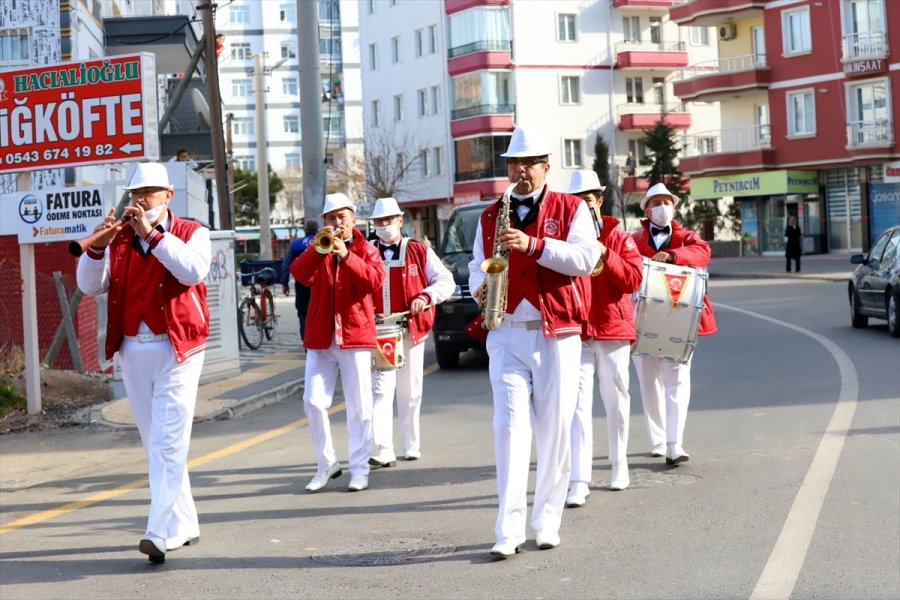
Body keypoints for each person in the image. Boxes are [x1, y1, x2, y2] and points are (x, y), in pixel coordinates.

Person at [468, 127, 600, 558]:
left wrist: (535, 244)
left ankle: (546, 520)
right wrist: (478, 289)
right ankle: (508, 529)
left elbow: (585, 259)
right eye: (513, 163)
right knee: (508, 429)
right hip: (505, 331)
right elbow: (475, 265)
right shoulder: (491, 214)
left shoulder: (572, 207)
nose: (520, 171)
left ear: (547, 166)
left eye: (528, 163)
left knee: (555, 430)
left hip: (556, 332)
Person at [76, 162, 211, 563]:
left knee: (168, 442)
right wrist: (98, 247)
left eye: (150, 193)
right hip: (134, 348)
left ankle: (157, 530)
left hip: (179, 348)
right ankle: (185, 523)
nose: (141, 200)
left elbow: (191, 271)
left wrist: (151, 235)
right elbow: (89, 285)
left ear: (168, 196)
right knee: (156, 445)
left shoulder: (192, 232)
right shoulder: (119, 241)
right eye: (137, 194)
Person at [290, 193, 385, 493]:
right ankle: (326, 463)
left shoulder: (366, 249)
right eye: (330, 218)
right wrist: (319, 251)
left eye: (341, 217)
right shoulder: (318, 247)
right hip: (320, 336)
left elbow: (374, 282)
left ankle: (359, 468)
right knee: (313, 402)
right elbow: (299, 273)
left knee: (360, 407)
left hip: (354, 334)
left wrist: (346, 255)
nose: (336, 223)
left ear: (353, 219)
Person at [565, 170, 643, 507]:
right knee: (577, 405)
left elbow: (633, 279)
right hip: (578, 329)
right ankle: (579, 479)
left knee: (616, 399)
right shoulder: (564, 239)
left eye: (587, 199)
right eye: (575, 201)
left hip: (612, 327)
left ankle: (618, 463)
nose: (582, 205)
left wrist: (603, 253)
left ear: (598, 200)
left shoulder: (620, 237)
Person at [631, 182, 717, 466]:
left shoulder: (686, 237)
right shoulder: (633, 239)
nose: (662, 208)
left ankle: (674, 443)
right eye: (656, 203)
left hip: (679, 321)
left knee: (677, 380)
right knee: (649, 382)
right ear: (646, 209)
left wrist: (673, 256)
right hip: (641, 320)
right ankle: (658, 439)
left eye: (667, 202)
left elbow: (702, 252)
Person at [368, 197, 455, 467]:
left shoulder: (418, 251)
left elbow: (446, 281)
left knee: (410, 390)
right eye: (379, 222)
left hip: (410, 329)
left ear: (400, 221)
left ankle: (410, 443)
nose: (384, 226)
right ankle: (383, 447)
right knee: (381, 390)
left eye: (388, 220)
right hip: (379, 332)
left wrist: (426, 296)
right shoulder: (366, 251)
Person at [281, 219, 320, 340]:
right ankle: (319, 341)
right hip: (319, 285)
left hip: (301, 284)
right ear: (317, 230)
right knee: (319, 313)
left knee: (303, 313)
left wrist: (285, 283)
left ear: (305, 230)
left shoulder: (295, 244)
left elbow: (286, 265)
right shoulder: (323, 242)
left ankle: (306, 341)